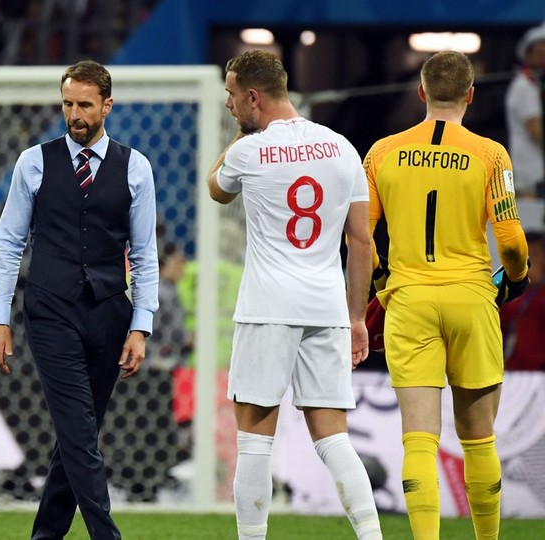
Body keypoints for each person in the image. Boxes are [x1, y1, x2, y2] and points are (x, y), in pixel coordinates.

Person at [207, 49, 382, 540]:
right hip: (326, 307)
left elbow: (215, 189)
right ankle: (372, 537)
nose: (227, 104)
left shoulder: (248, 150)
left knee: (254, 442)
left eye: (231, 94)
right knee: (334, 439)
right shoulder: (343, 148)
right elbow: (362, 240)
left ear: (254, 97)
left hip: (267, 308)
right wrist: (356, 319)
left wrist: (245, 134)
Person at [0, 59, 158, 540]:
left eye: (84, 104)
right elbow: (9, 243)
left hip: (110, 313)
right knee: (80, 433)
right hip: (49, 310)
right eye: (67, 104)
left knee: (76, 437)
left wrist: (140, 326)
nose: (74, 114)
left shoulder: (136, 168)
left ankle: (45, 537)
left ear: (107, 105)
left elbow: (145, 254)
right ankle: (108, 535)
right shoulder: (33, 162)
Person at [364, 50, 530, 539]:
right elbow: (513, 242)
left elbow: (362, 239)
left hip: (410, 300)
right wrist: (516, 280)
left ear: (421, 92)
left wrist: (379, 286)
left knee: (419, 439)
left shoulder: (381, 152)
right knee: (479, 440)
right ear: (471, 96)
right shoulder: (490, 154)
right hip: (472, 299)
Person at [505, 23, 545, 199]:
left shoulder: (537, 87)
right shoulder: (524, 87)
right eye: (540, 54)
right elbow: (537, 132)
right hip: (530, 181)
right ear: (527, 55)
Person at [500, 232, 544, 371]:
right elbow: (501, 328)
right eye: (525, 254)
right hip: (515, 369)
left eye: (535, 254)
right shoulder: (511, 288)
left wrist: (540, 286)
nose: (529, 260)